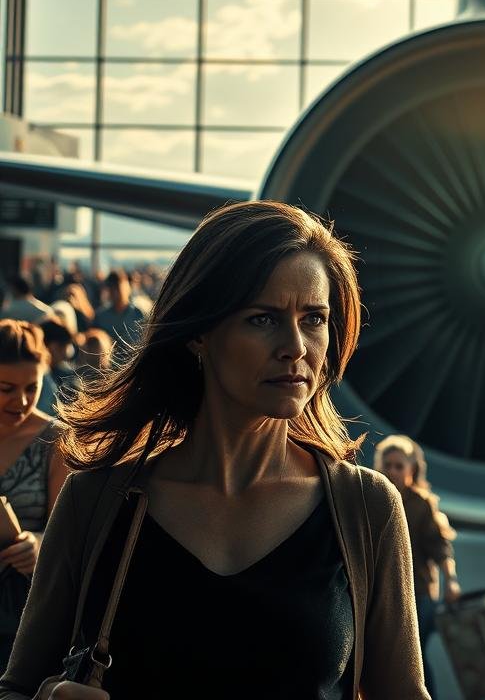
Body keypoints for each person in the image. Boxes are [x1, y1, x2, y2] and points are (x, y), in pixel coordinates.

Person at [0, 202, 427, 699]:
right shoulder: (95, 501)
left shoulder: (364, 509)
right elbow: (17, 687)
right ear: (199, 332)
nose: (296, 346)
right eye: (263, 319)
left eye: (314, 318)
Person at [0, 321, 69, 671]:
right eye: (6, 388)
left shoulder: (53, 440)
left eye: (32, 387)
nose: (22, 401)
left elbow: (67, 531)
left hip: (20, 612)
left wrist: (38, 542)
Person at [375, 435, 460, 700]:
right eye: (387, 465)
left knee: (415, 660)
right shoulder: (372, 498)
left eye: (399, 466)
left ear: (412, 470)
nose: (392, 471)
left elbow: (441, 548)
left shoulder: (420, 505)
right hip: (382, 594)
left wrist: (451, 582)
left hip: (418, 595)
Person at [92, 270, 146, 363]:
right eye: (113, 289)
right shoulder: (100, 316)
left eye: (119, 287)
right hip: (107, 369)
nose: (117, 292)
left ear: (128, 287)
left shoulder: (139, 314)